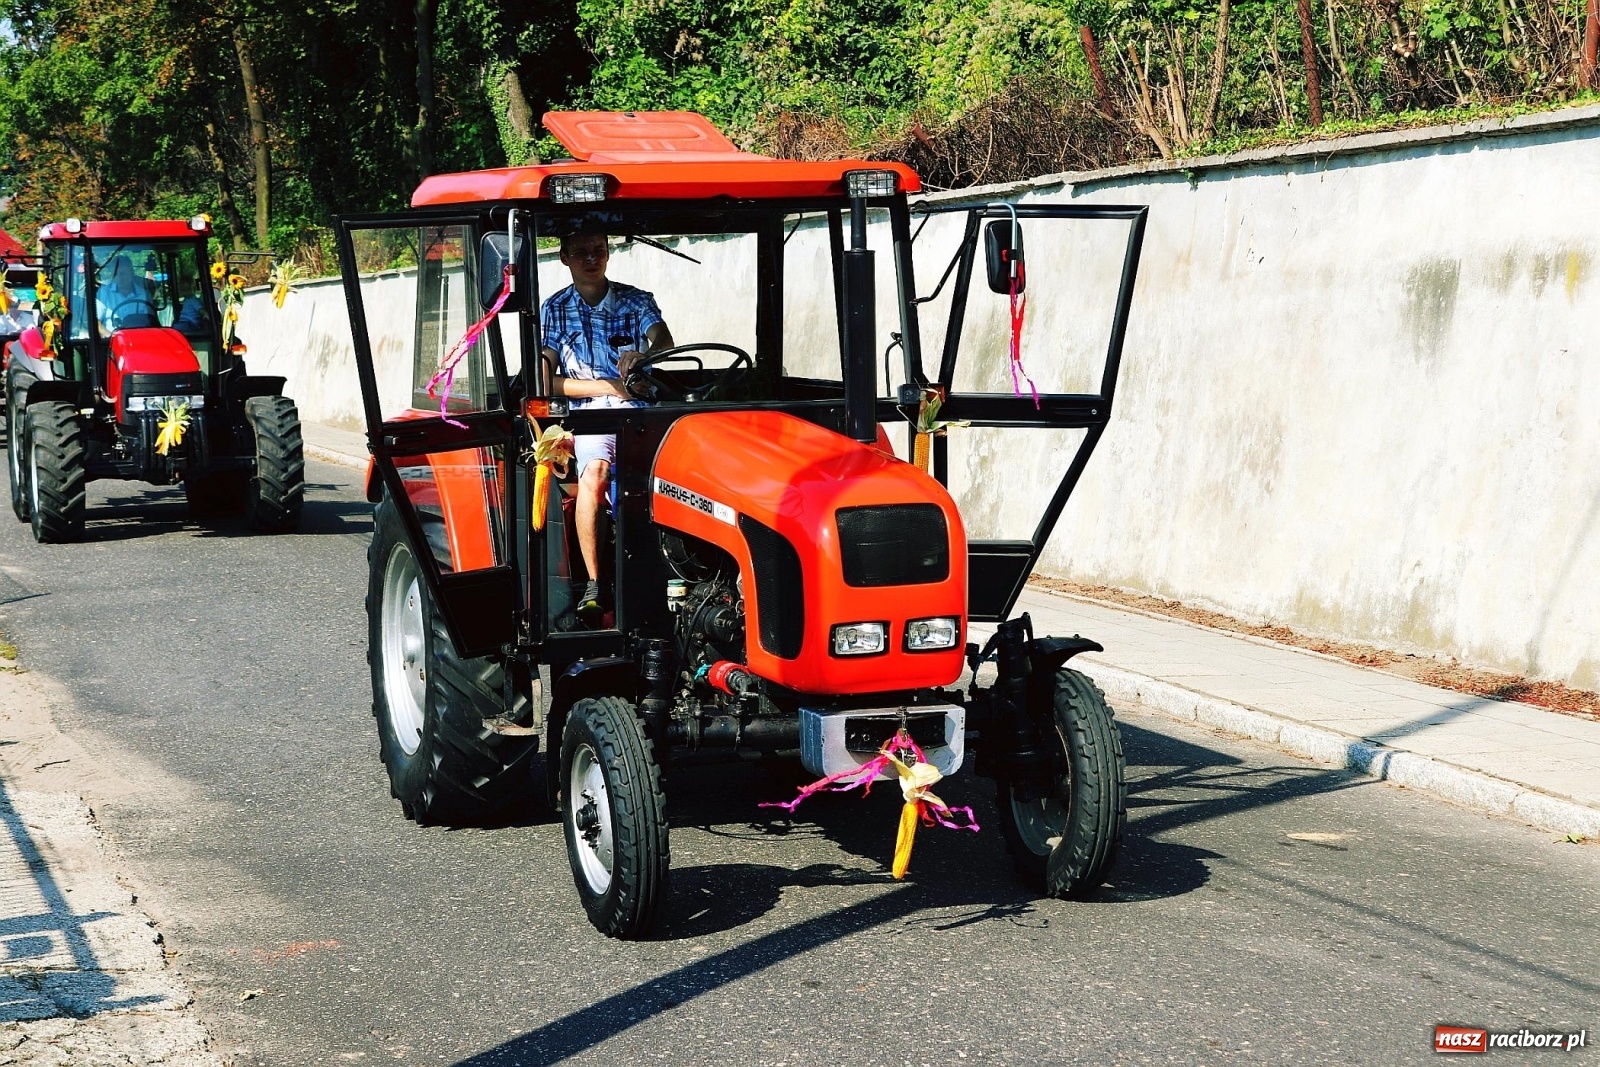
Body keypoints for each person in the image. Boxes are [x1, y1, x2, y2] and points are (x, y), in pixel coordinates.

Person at [541, 231, 674, 625]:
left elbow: (663, 340)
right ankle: (597, 583)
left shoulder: (636, 300)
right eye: (581, 251)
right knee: (595, 472)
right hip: (592, 413)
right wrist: (608, 386)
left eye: (598, 250)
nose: (591, 258)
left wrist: (644, 354)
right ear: (565, 257)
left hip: (642, 408)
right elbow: (546, 381)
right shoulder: (555, 308)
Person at [97, 255, 157, 331]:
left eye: (122, 274)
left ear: (131, 273)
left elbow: (150, 322)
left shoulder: (143, 294)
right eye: (116, 274)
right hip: (111, 339)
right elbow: (97, 322)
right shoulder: (104, 292)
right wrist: (110, 336)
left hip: (139, 338)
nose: (119, 277)